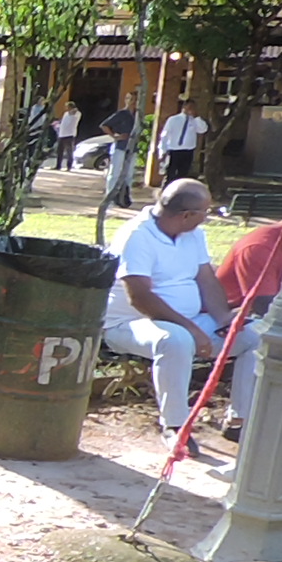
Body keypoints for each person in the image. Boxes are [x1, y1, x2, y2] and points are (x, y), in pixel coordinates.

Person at [102, 179, 258, 453]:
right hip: (130, 324)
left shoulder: (193, 234)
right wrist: (192, 330)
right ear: (186, 215)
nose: (207, 217)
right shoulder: (137, 236)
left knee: (256, 335)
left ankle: (238, 420)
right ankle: (175, 426)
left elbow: (206, 279)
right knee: (175, 341)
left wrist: (224, 318)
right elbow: (139, 296)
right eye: (205, 212)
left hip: (188, 322)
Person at [158, 99, 208, 184]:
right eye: (189, 107)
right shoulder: (173, 119)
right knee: (170, 173)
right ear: (184, 107)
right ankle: (166, 189)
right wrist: (162, 150)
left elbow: (203, 129)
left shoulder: (195, 121)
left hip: (187, 151)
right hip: (174, 150)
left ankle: (179, 190)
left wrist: (196, 117)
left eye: (193, 107)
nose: (191, 109)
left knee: (182, 175)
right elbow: (165, 135)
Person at [102, 92, 137, 208]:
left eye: (134, 99)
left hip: (132, 148)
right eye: (129, 99)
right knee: (115, 173)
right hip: (120, 147)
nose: (131, 102)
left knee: (129, 174)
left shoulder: (138, 115)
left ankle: (124, 197)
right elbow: (104, 125)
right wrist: (115, 136)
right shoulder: (122, 114)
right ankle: (109, 197)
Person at [54, 101, 81, 170]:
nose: (66, 108)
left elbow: (73, 113)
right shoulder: (65, 113)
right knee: (60, 151)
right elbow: (63, 121)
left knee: (69, 151)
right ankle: (58, 165)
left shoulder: (77, 113)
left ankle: (69, 166)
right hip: (62, 134)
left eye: (67, 107)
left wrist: (74, 109)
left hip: (70, 134)